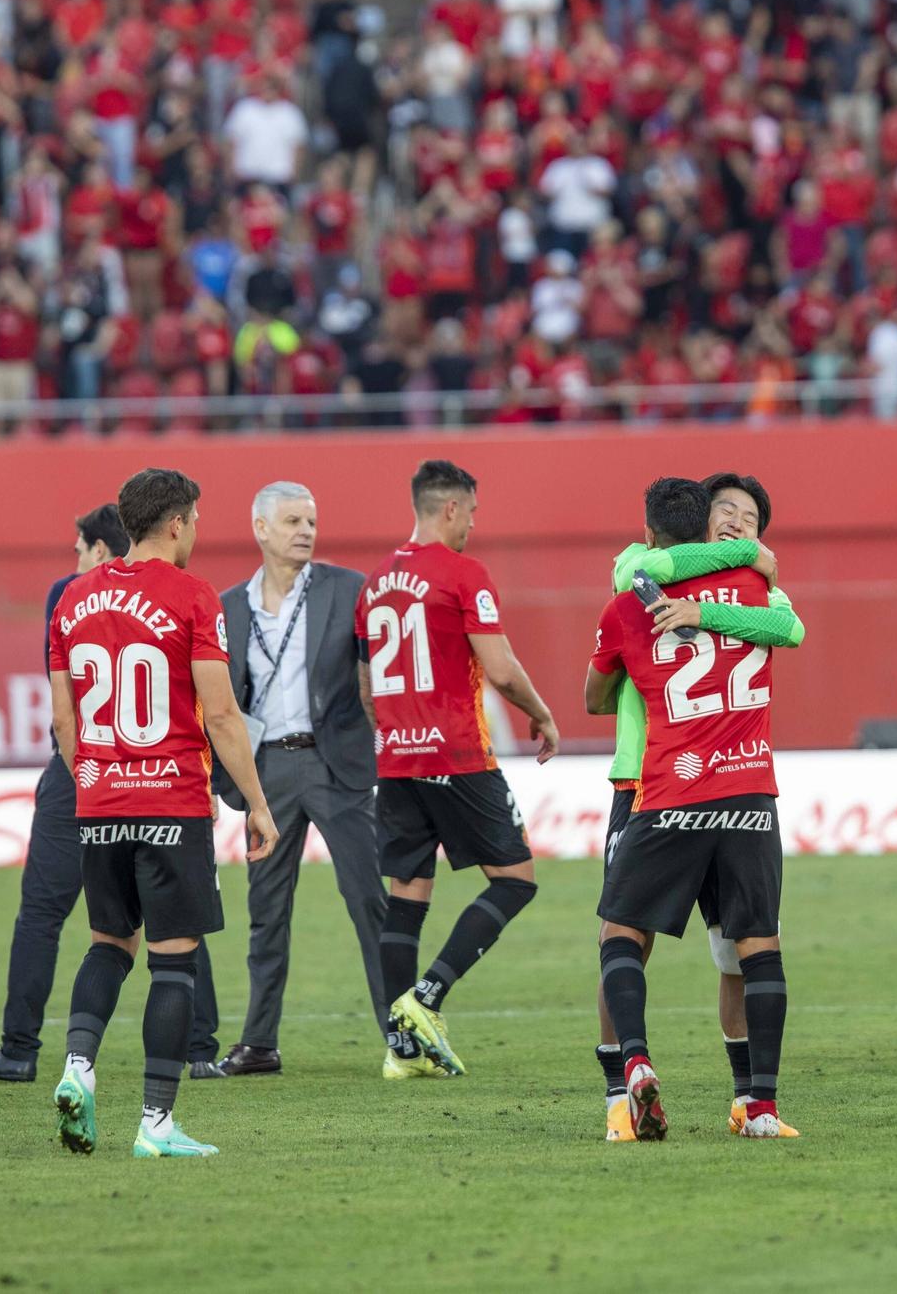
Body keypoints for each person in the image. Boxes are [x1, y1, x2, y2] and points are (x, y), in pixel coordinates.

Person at [46, 469, 279, 1159]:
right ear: (175, 523)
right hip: (172, 802)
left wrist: (93, 785)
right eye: (197, 520)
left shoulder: (72, 600)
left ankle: (77, 1067)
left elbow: (65, 721)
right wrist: (258, 804)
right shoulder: (194, 596)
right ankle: (155, 1123)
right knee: (173, 963)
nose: (198, 532)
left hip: (100, 803)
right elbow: (222, 713)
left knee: (107, 945)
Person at [0, 505, 223, 1084]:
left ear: (102, 550)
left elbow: (66, 706)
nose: (75, 560)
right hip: (161, 773)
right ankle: (199, 1048)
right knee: (175, 911)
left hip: (83, 772)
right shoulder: (186, 593)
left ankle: (20, 1048)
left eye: (81, 547)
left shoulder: (69, 595)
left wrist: (84, 774)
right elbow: (204, 702)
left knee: (45, 912)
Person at [594, 473, 805, 1142]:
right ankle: (755, 1103)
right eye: (728, 513)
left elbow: (596, 694)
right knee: (754, 944)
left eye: (751, 519)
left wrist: (701, 610)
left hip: (664, 789)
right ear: (702, 523)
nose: (740, 526)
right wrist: (748, 566)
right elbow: (789, 628)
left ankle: (640, 1082)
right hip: (743, 792)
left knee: (626, 935)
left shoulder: (635, 599)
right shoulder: (748, 583)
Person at [359, 461, 561, 1076]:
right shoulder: (464, 574)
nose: (473, 523)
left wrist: (398, 731)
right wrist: (542, 713)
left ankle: (400, 1050)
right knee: (516, 878)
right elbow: (498, 669)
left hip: (396, 759)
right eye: (471, 511)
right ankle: (427, 996)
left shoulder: (375, 585)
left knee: (407, 894)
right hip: (458, 753)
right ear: (449, 508)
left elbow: (368, 686)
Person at [210, 482, 393, 1078]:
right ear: (260, 528)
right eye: (292, 521)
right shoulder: (228, 608)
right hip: (266, 774)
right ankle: (259, 1043)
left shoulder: (348, 590)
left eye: (311, 520)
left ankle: (403, 1035)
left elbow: (375, 680)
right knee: (266, 910)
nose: (306, 531)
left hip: (336, 765)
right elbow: (216, 702)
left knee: (369, 900)